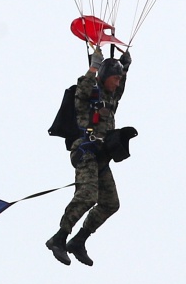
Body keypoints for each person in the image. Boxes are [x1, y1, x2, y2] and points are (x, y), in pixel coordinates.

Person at [47, 47, 132, 266]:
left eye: (118, 79)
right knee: (87, 196)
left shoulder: (111, 98)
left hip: (101, 157)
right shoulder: (89, 94)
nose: (117, 83)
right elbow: (83, 89)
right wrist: (94, 66)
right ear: (105, 76)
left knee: (111, 203)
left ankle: (79, 241)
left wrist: (125, 67)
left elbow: (120, 89)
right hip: (85, 152)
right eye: (114, 78)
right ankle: (59, 238)